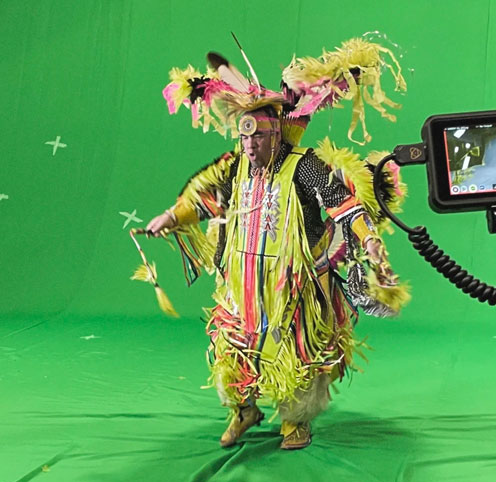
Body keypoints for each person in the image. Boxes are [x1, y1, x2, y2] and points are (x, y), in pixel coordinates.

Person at [139, 38, 408, 450]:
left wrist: (368, 238)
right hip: (242, 284)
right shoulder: (235, 166)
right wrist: (173, 216)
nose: (249, 145)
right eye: (244, 138)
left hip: (294, 285)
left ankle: (295, 421)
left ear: (276, 132)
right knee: (234, 348)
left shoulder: (305, 167)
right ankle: (243, 409)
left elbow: (342, 203)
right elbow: (204, 195)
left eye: (258, 137)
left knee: (299, 351)